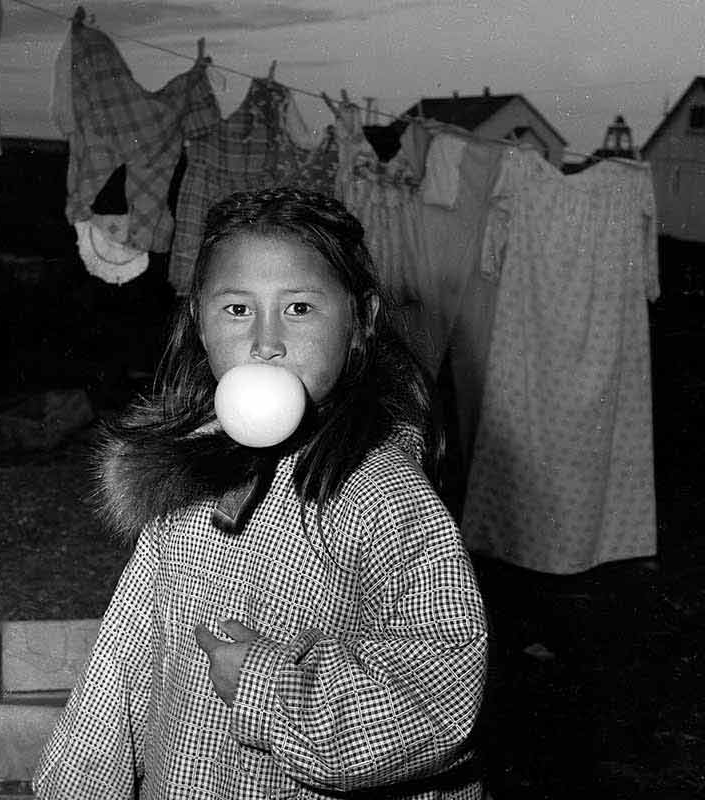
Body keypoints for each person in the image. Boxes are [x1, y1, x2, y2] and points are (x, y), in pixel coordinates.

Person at [33, 187, 489, 799]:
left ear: (360, 319)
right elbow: (130, 646)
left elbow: (440, 690)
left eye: (298, 308)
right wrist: (80, 785)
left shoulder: (382, 492)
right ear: (197, 319)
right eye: (237, 309)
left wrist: (268, 685)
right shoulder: (191, 463)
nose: (266, 341)